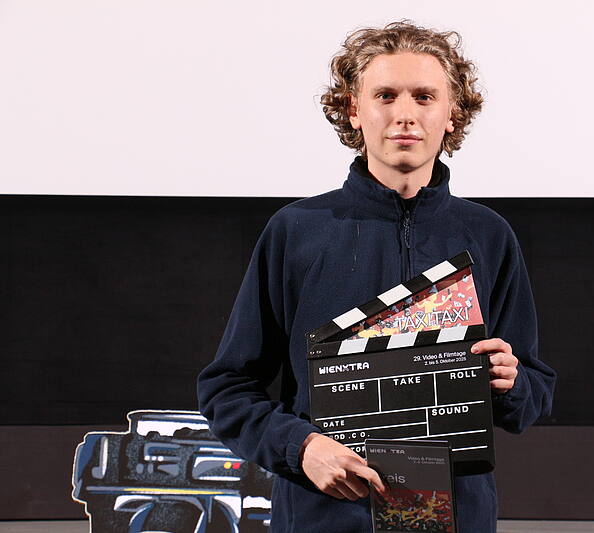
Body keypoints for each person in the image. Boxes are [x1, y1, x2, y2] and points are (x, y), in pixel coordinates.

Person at [197, 20, 555, 532]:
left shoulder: (489, 235)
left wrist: (511, 383)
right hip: (322, 519)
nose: (405, 114)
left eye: (424, 97)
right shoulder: (296, 231)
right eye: (385, 95)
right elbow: (227, 387)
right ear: (353, 110)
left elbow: (534, 392)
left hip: (456, 517)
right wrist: (301, 447)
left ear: (452, 113)